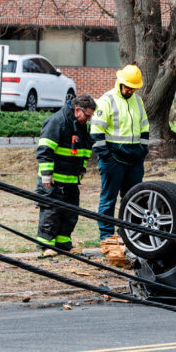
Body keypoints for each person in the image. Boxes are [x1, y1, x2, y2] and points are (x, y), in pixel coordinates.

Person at [90, 64, 149, 245]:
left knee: (133, 198)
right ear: (120, 83)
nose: (131, 91)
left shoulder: (137, 101)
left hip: (134, 158)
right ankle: (107, 236)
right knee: (108, 198)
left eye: (134, 88)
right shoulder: (106, 100)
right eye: (128, 87)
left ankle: (128, 233)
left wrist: (143, 150)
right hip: (113, 158)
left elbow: (144, 126)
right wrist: (106, 156)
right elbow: (96, 130)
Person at [36, 94, 96, 256]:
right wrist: (46, 175)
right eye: (87, 115)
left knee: (70, 212)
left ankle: (63, 243)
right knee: (51, 211)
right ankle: (46, 245)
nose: (88, 119)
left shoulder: (80, 124)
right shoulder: (57, 121)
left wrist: (82, 169)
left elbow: (84, 148)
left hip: (70, 179)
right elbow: (45, 150)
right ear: (77, 110)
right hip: (53, 179)